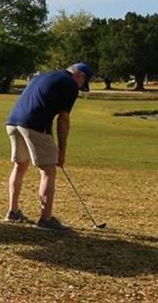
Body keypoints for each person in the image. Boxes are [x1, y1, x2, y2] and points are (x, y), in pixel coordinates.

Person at [5, 63, 92, 229]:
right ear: (80, 75)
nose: (80, 87)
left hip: (13, 122)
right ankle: (46, 219)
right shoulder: (70, 84)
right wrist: (61, 152)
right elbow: (63, 120)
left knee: (20, 165)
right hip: (33, 124)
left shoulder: (44, 75)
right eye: (83, 83)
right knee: (48, 170)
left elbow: (43, 106)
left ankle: (13, 212)